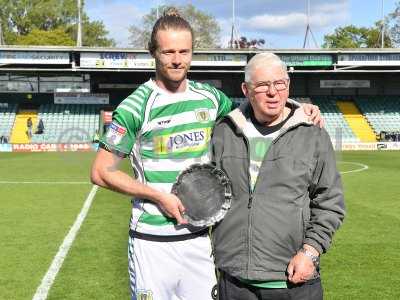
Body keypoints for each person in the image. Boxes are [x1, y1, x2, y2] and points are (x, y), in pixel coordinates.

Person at [91, 9, 323, 300]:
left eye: (184, 51)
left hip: (199, 238)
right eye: (168, 52)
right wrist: (158, 196)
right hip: (152, 240)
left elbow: (253, 107)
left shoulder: (210, 98)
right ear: (153, 53)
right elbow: (101, 172)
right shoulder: (135, 106)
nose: (177, 59)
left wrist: (296, 106)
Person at [211, 53, 345, 300]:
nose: (273, 92)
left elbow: (330, 203)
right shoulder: (224, 131)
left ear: (288, 85)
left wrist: (310, 252)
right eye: (262, 85)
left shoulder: (312, 135)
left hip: (292, 282)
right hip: (234, 281)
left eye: (279, 84)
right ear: (246, 89)